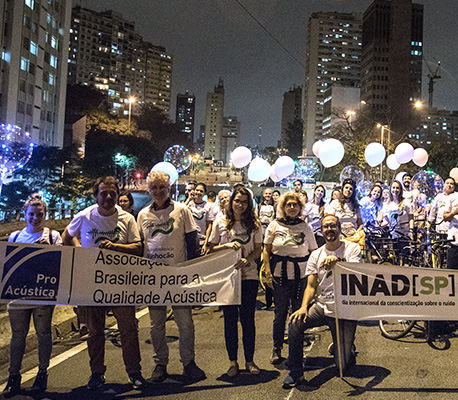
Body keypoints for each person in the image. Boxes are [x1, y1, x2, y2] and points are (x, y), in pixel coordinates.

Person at [62, 176, 147, 391]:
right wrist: (80, 249)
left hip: (121, 283)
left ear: (118, 196)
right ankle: (97, 373)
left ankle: (134, 372)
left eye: (113, 194)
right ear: (96, 195)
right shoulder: (84, 215)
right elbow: (66, 235)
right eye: (103, 193)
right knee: (95, 330)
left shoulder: (127, 219)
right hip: (93, 283)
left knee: (128, 329)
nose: (108, 197)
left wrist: (116, 248)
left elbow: (138, 248)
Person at [137, 171, 206, 383]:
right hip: (154, 279)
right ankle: (160, 364)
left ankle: (189, 363)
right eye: (154, 188)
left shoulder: (182, 210)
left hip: (179, 277)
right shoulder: (142, 215)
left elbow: (193, 243)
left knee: (185, 322)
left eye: (162, 187)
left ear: (169, 188)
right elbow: (140, 246)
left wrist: (195, 273)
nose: (158, 191)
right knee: (156, 325)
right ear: (149, 189)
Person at [282, 215, 362, 388]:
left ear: (339, 228)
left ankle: (347, 350)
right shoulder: (316, 255)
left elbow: (356, 275)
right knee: (295, 323)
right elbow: (311, 286)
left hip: (345, 309)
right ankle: (295, 372)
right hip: (322, 306)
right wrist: (303, 307)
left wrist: (338, 262)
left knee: (343, 366)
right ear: (321, 230)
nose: (329, 230)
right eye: (326, 227)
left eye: (333, 226)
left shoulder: (352, 249)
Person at [2, 199, 63, 396]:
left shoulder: (53, 236)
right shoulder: (15, 236)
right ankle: (14, 376)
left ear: (45, 216)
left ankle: (42, 373)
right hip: (19, 294)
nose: (35, 218)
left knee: (43, 333)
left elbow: (62, 262)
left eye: (39, 214)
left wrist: (49, 250)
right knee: (17, 335)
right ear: (25, 214)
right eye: (31, 214)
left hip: (43, 295)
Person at [209, 186, 262, 377]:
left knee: (248, 320)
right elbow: (210, 248)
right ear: (231, 202)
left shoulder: (255, 224)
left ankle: (250, 361)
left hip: (249, 277)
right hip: (227, 278)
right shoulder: (220, 221)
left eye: (244, 201)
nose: (240, 205)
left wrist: (249, 259)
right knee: (230, 321)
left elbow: (258, 249)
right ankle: (233, 362)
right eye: (237, 201)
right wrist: (226, 246)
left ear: (249, 204)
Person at [263, 193, 317, 365]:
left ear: (300, 207)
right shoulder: (274, 225)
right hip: (280, 276)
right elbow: (266, 250)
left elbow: (313, 252)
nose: (292, 208)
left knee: (298, 314)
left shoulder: (305, 227)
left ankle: (296, 352)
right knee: (280, 314)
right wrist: (267, 272)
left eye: (295, 205)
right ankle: (276, 349)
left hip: (300, 276)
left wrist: (314, 278)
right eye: (289, 205)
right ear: (283, 207)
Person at [186, 182, 217, 254]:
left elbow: (209, 226)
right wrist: (189, 199)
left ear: (204, 193)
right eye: (197, 190)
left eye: (201, 191)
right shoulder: (189, 205)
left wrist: (206, 244)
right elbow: (180, 212)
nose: (198, 192)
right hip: (189, 240)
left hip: (202, 241)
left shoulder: (208, 206)